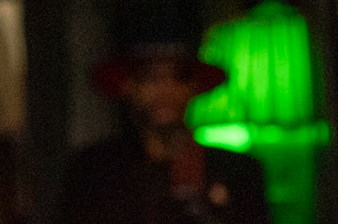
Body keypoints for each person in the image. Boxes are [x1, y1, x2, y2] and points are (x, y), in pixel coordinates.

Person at [62, 36, 270, 224]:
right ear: (128, 86)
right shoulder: (95, 171)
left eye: (178, 77)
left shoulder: (237, 172)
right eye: (149, 78)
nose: (165, 89)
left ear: (193, 86)